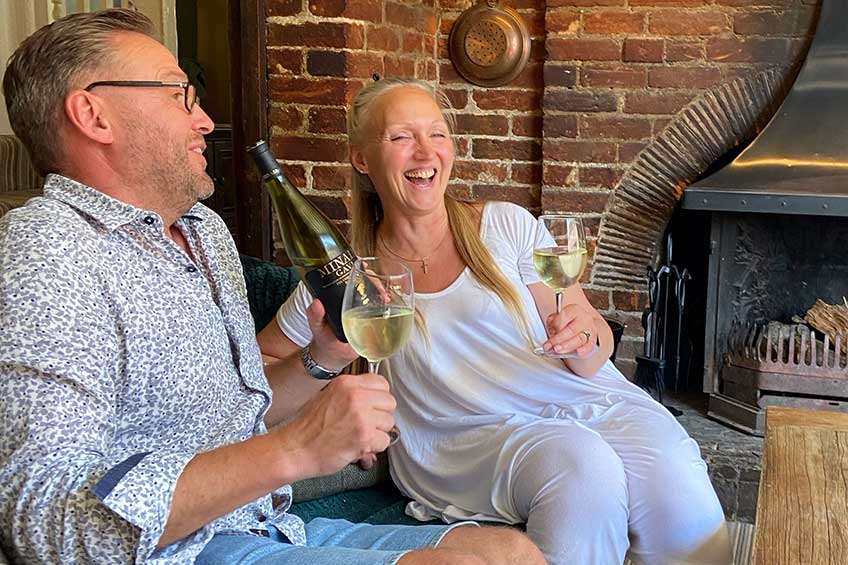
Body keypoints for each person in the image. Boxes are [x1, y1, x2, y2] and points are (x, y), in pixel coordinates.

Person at [0, 10, 546, 565]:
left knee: (513, 553)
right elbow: (43, 519)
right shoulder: (48, 249)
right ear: (92, 113)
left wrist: (323, 357)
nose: (206, 121)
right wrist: (297, 447)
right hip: (176, 553)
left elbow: (242, 408)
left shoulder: (203, 231)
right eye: (178, 96)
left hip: (263, 524)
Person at [258, 77, 734, 565]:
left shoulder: (507, 225)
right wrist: (331, 402)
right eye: (401, 137)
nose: (425, 153)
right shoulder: (348, 281)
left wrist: (582, 337)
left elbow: (591, 347)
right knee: (583, 468)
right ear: (362, 159)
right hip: (461, 437)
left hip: (580, 398)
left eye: (437, 134)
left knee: (676, 479)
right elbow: (258, 373)